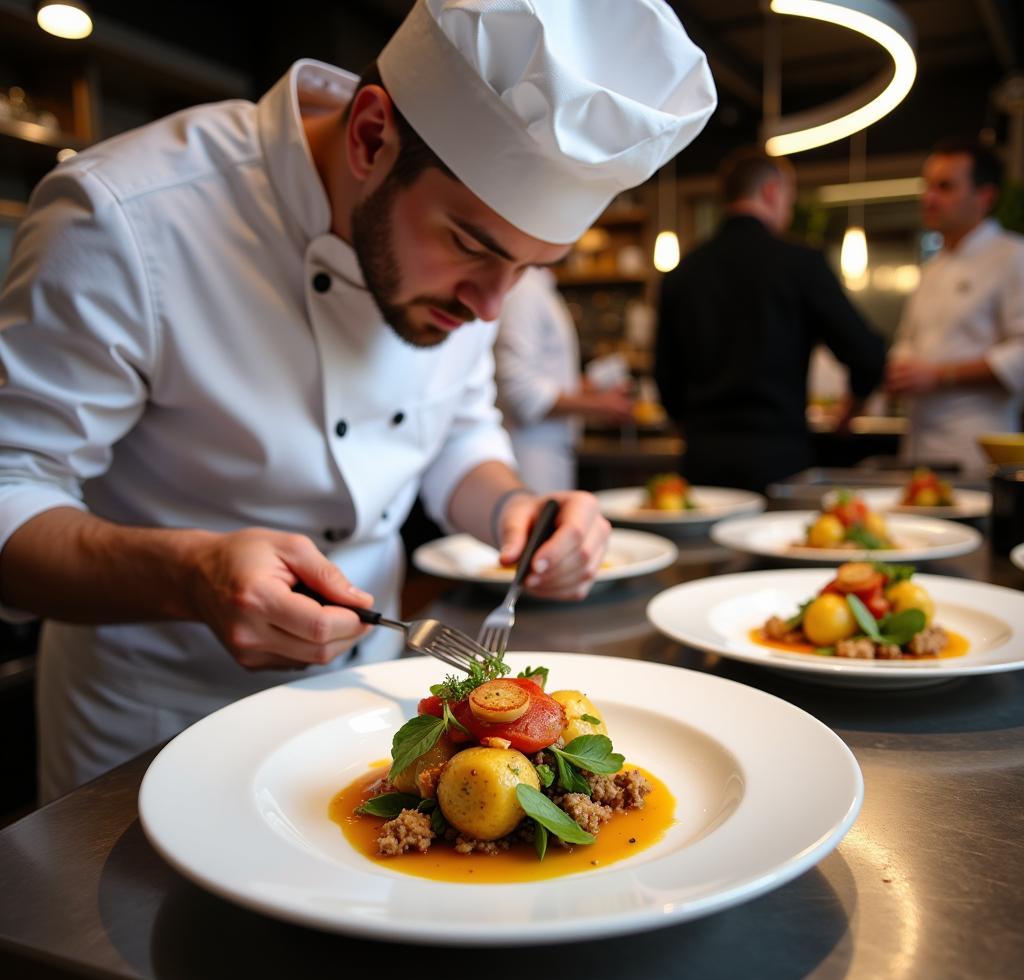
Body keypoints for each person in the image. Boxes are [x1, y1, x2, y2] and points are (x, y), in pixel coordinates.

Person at [0, 0, 716, 799]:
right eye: (472, 246)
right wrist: (190, 575)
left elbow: (457, 433)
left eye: (530, 269)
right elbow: (8, 494)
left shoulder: (473, 277)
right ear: (372, 136)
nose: (489, 307)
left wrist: (515, 505)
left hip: (371, 717)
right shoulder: (123, 219)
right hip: (149, 733)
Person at [654, 146, 886, 493]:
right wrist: (851, 410)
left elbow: (665, 376)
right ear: (771, 192)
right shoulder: (800, 264)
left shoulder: (682, 273)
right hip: (778, 458)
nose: (788, 212)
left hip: (704, 458)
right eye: (789, 201)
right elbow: (867, 354)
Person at [886, 139, 1024, 474]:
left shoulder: (1012, 256)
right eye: (928, 186)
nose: (928, 198)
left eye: (944, 187)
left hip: (975, 447)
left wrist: (939, 375)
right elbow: (908, 341)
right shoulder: (932, 269)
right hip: (918, 443)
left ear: (985, 197)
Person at [493, 266, 634, 493]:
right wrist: (600, 406)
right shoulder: (524, 291)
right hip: (532, 454)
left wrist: (591, 389)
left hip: (551, 449)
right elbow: (521, 394)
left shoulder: (541, 288)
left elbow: (546, 382)